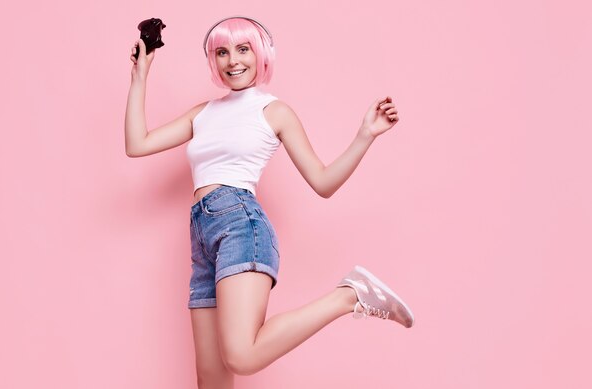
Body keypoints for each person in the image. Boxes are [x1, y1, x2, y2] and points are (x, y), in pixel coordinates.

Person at [125, 16, 414, 389]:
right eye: (223, 52)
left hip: (240, 226)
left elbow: (323, 182)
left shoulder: (273, 111)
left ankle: (348, 296)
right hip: (202, 236)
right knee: (211, 378)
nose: (233, 61)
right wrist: (140, 75)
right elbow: (138, 144)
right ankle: (348, 296)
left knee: (241, 356)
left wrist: (365, 135)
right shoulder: (203, 113)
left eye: (243, 49)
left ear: (261, 55)